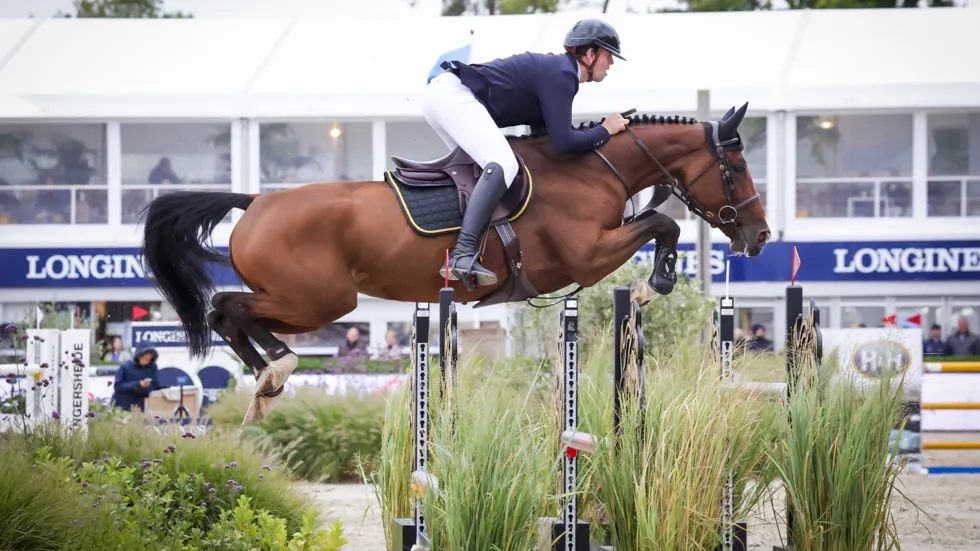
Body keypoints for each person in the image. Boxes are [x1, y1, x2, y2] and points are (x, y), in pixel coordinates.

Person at [422, 18, 630, 289]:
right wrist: (605, 130)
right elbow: (564, 143)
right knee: (503, 165)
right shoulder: (562, 75)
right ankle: (462, 254)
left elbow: (546, 144)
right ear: (590, 55)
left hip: (443, 97)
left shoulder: (558, 73)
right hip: (452, 96)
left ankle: (456, 247)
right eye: (608, 55)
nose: (611, 63)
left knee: (483, 175)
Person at [111, 346, 162, 412]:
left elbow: (155, 384)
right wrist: (138, 384)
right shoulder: (125, 367)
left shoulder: (152, 367)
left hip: (140, 405)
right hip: (122, 404)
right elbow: (118, 386)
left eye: (148, 360)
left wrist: (146, 387)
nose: (146, 362)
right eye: (144, 358)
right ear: (139, 356)